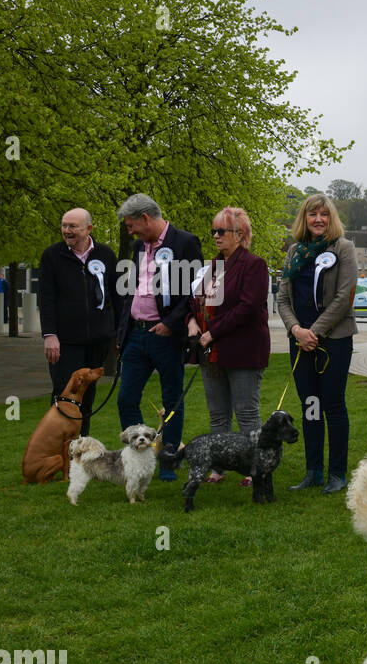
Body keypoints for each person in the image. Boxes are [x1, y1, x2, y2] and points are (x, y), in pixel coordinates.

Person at [115, 193, 203, 480]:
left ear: (145, 218)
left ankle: (168, 463)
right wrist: (122, 333)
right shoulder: (140, 246)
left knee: (172, 398)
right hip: (136, 336)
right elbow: (132, 289)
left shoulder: (185, 242)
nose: (130, 232)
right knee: (126, 398)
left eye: (132, 225)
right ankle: (136, 461)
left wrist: (171, 323)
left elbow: (194, 291)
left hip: (166, 336)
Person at [276, 193, 358, 495]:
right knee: (310, 406)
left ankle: (337, 473)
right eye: (313, 214)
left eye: (324, 214)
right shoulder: (295, 251)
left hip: (333, 341)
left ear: (331, 217)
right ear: (305, 219)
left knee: (333, 406)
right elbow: (282, 297)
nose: (319, 219)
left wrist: (315, 332)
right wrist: (297, 330)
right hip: (300, 342)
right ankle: (313, 470)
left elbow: (344, 296)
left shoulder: (344, 248)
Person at [187, 206, 270, 484]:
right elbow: (194, 301)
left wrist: (213, 332)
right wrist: (192, 322)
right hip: (211, 352)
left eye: (221, 231)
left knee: (246, 412)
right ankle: (218, 466)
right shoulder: (212, 267)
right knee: (218, 413)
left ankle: (254, 468)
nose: (216, 236)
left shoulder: (254, 265)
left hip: (243, 350)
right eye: (214, 231)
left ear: (241, 234)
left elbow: (249, 307)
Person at [38, 208, 121, 436]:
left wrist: (120, 334)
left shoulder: (106, 254)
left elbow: (116, 297)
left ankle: (80, 451)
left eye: (73, 226)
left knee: (87, 398)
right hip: (65, 343)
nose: (67, 231)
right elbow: (46, 299)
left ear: (89, 229)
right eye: (64, 225)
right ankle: (58, 450)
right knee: (63, 397)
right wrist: (49, 334)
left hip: (98, 342)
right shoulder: (52, 256)